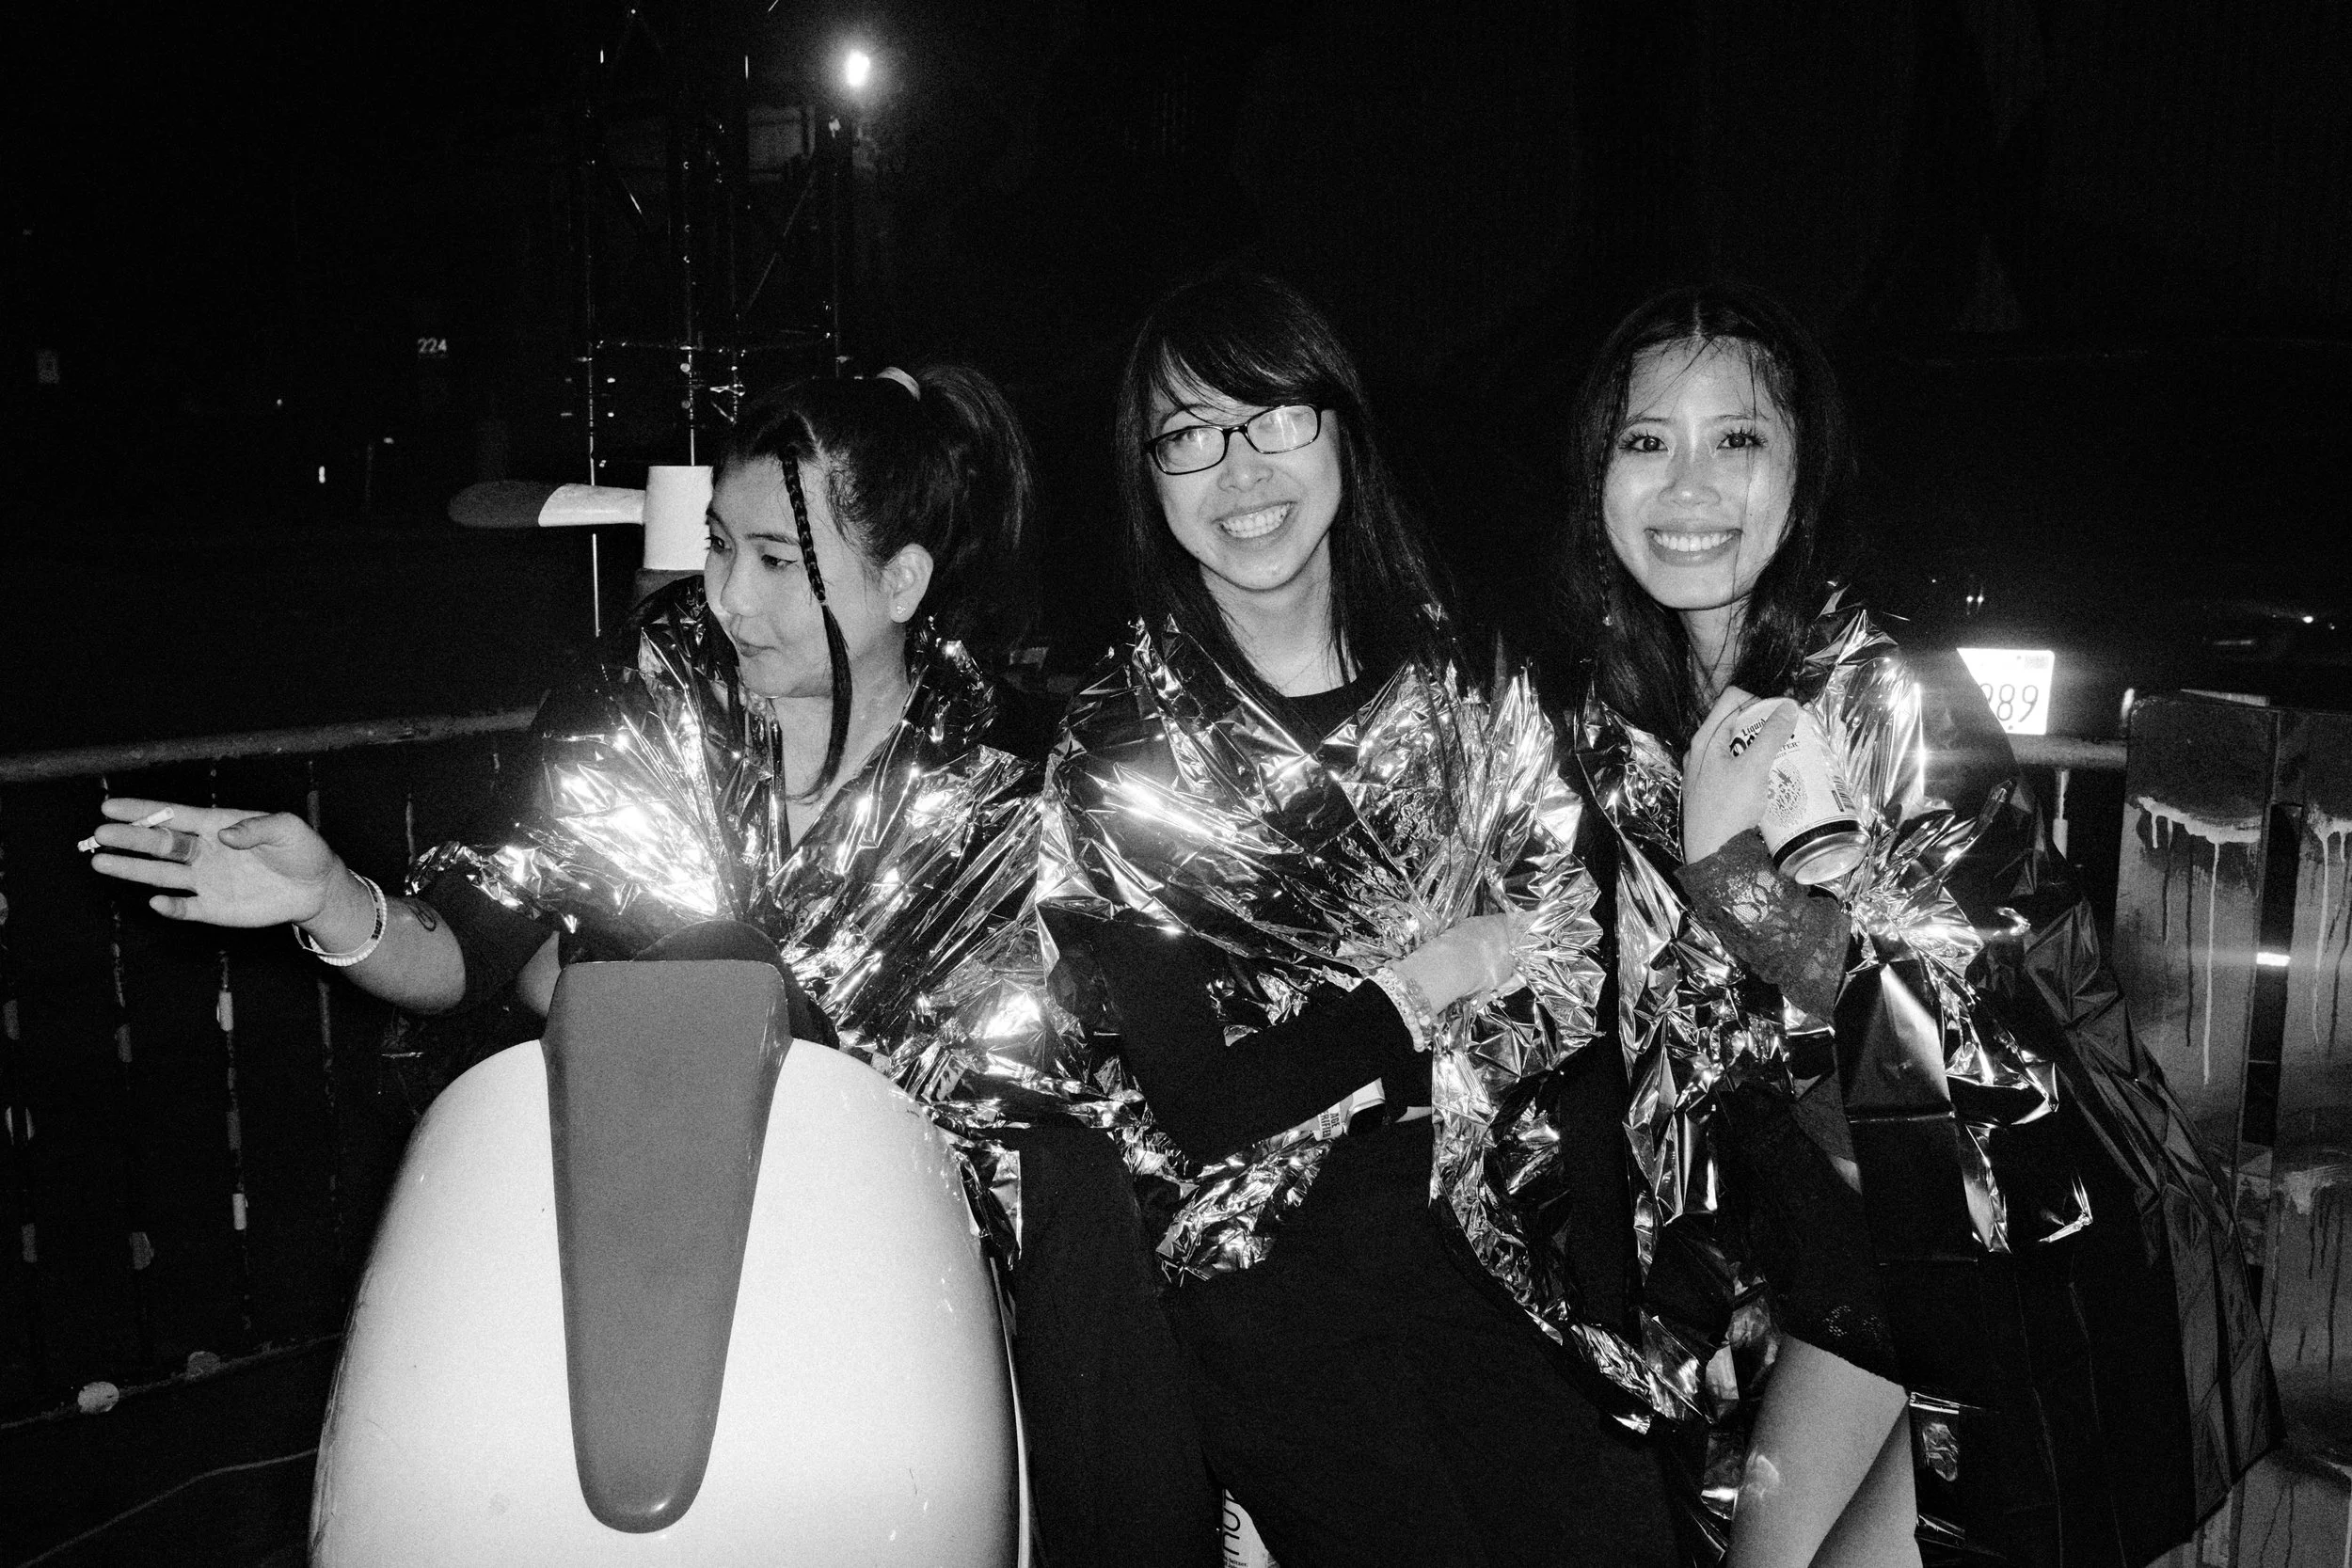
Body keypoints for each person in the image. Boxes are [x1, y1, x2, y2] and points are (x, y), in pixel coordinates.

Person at [83, 364, 1219, 1568]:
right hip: (645, 1253)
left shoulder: (1009, 780)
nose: (728, 593)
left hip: (902, 1275)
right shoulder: (646, 705)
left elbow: (1119, 1062)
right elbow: (470, 945)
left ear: (901, 580)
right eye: (719, 544)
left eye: (777, 559)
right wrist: (329, 899)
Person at [1549, 281, 2278, 1568]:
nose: (1688, 484)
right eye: (1645, 439)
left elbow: (1975, 1014)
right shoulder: (1624, 719)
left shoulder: (1882, 691)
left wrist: (1737, 882)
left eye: (1738, 437)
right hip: (1842, 1267)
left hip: (2010, 1253)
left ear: (1803, 471)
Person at [1039, 270, 1680, 1568]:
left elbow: (1568, 966)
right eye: (1188, 435)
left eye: (1275, 415)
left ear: (1341, 428)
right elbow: (1206, 1104)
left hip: (1504, 1226)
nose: (1240, 470)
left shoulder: (1467, 684)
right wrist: (1427, 979)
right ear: (1147, 478)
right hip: (1275, 1275)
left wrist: (1369, 1038)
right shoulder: (1120, 752)